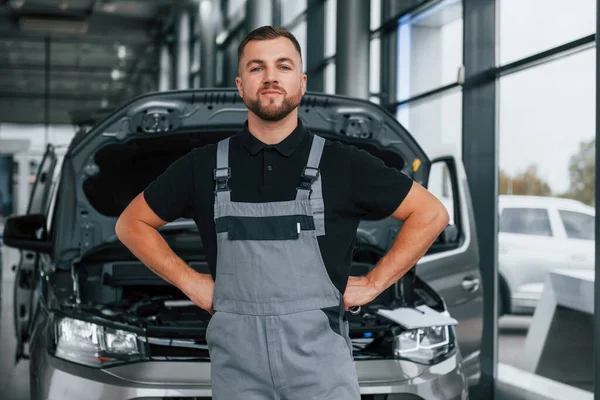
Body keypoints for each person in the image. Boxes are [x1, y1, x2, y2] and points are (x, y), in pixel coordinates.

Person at [115, 26, 449, 400]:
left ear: (301, 82)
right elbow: (131, 223)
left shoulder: (344, 164)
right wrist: (190, 282)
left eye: (283, 66)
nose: (271, 76)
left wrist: (374, 283)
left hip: (320, 373)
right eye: (257, 67)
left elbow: (431, 213)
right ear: (240, 85)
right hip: (238, 373)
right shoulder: (202, 167)